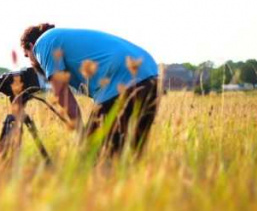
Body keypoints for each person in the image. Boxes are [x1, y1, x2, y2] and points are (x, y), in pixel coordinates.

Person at [20, 24, 160, 158]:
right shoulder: (62, 36)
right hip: (151, 76)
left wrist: (82, 133)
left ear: (31, 46)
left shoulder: (42, 43)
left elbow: (61, 91)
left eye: (27, 56)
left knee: (93, 157)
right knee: (130, 157)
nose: (31, 62)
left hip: (119, 81)